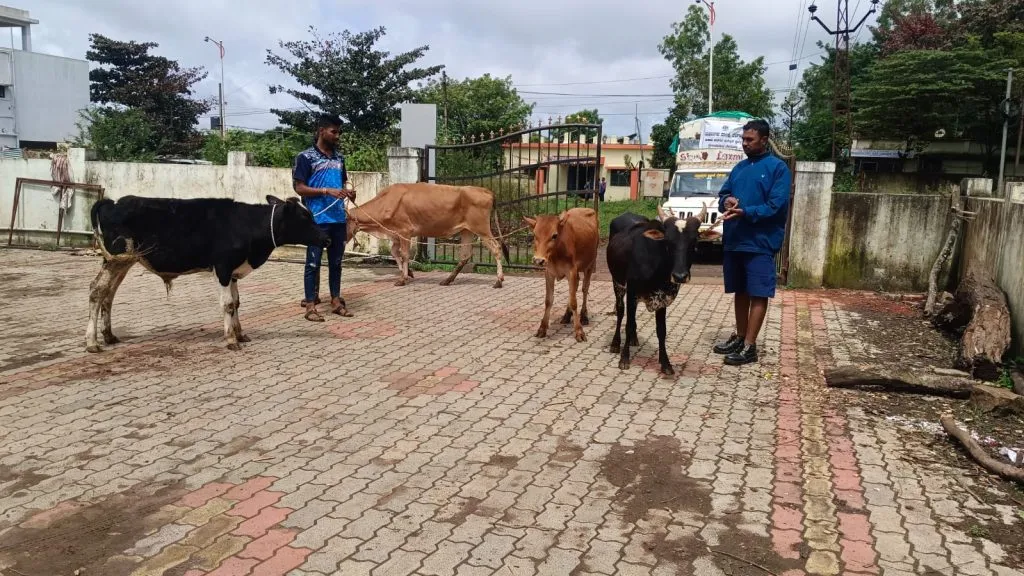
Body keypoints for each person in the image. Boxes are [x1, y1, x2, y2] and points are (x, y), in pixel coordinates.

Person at [712, 119, 791, 366]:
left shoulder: (778, 169)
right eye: (743, 139)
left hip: (760, 242)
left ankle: (750, 346)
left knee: (758, 292)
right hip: (735, 240)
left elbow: (776, 207)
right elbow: (723, 194)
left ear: (764, 140)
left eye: (749, 140)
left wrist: (746, 212)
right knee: (740, 290)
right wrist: (726, 201)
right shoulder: (739, 168)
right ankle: (739, 336)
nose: (744, 144)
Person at [292, 113, 357, 322]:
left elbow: (343, 183)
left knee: (336, 262)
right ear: (322, 131)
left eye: (339, 132)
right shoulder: (306, 157)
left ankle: (336, 300)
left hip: (338, 218)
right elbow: (299, 187)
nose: (337, 136)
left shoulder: (339, 158)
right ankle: (310, 305)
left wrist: (348, 192)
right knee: (313, 263)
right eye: (334, 131)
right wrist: (326, 191)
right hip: (317, 219)